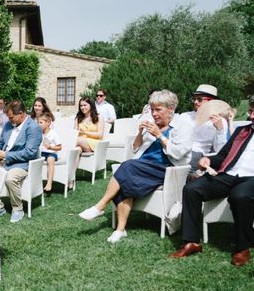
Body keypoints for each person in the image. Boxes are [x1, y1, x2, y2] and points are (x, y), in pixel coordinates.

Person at [78, 90, 193, 243]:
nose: (154, 113)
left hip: (166, 169)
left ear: (171, 109)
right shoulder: (152, 124)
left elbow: (179, 153)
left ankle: (100, 206)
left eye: (158, 109)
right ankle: (120, 230)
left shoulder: (182, 126)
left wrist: (159, 135)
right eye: (152, 109)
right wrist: (140, 133)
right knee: (124, 181)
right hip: (143, 166)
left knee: (126, 167)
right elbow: (135, 148)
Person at [169, 96, 254, 265]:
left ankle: (242, 247)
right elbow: (223, 155)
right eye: (251, 111)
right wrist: (208, 160)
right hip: (229, 174)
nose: (251, 116)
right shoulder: (242, 131)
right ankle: (191, 242)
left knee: (240, 196)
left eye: (253, 112)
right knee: (192, 189)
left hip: (251, 178)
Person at [0, 100, 43, 223]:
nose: (9, 120)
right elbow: (0, 141)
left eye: (12, 117)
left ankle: (17, 209)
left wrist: (6, 155)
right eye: (8, 117)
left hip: (22, 164)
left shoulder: (33, 128)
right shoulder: (8, 125)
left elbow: (30, 153)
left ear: (22, 114)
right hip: (2, 160)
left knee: (10, 178)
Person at [181, 84, 228, 171]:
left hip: (197, 153)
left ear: (211, 101)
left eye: (199, 99)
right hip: (180, 149)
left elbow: (219, 150)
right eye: (194, 99)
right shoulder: (186, 116)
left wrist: (219, 130)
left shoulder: (220, 121)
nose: (195, 102)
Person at [38, 113, 62, 193]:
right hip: (42, 153)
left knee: (50, 160)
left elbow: (60, 147)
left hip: (52, 153)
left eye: (40, 123)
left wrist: (51, 147)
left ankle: (49, 183)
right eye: (38, 122)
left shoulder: (53, 134)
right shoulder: (39, 133)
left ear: (48, 123)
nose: (38, 124)